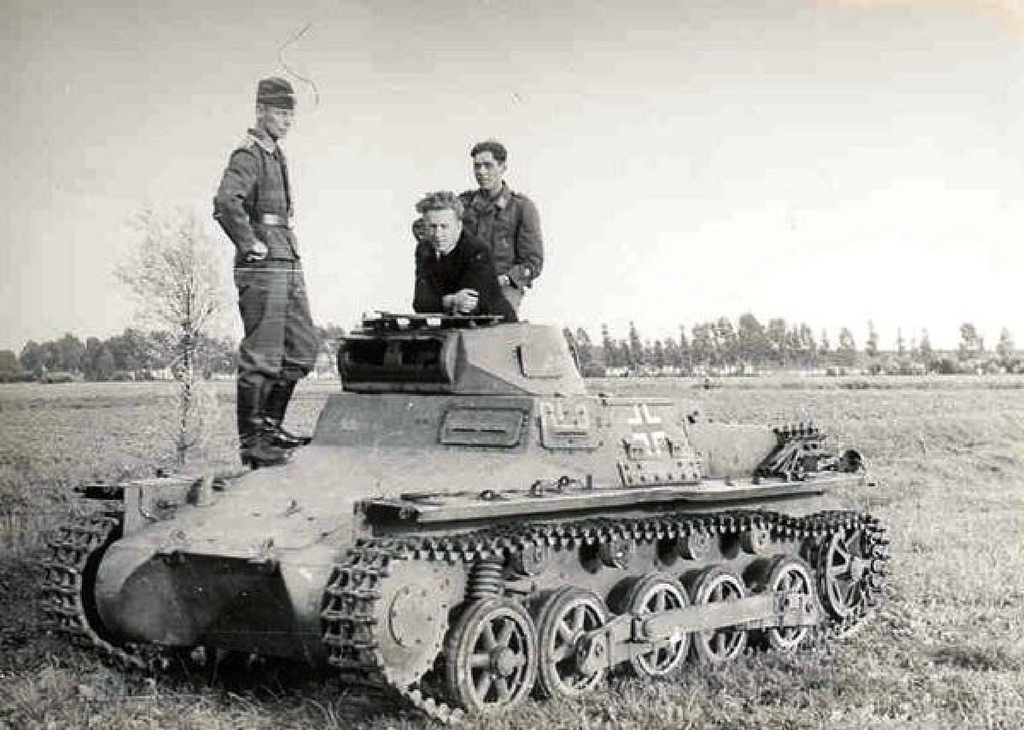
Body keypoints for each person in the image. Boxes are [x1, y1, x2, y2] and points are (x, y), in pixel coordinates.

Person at [213, 77, 317, 468]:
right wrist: (248, 242)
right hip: (264, 264)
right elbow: (226, 202)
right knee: (262, 353)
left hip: (286, 258)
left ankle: (270, 427)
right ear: (260, 110)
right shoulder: (249, 154)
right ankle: (253, 440)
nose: (287, 120)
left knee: (302, 348)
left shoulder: (275, 154)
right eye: (280, 112)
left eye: (291, 114)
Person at [457, 139, 544, 312]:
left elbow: (532, 262)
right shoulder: (463, 204)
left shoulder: (521, 208)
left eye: (488, 166)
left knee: (499, 321)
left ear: (503, 167)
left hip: (502, 286)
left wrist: (505, 279)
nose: (481, 172)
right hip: (466, 286)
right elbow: (428, 225)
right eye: (477, 166)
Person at [412, 191, 517, 322]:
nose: (438, 234)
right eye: (432, 227)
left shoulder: (477, 250)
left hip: (496, 325)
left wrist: (441, 302)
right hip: (455, 325)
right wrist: (450, 301)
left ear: (459, 226)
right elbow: (420, 303)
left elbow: (467, 306)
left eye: (444, 227)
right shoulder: (424, 249)